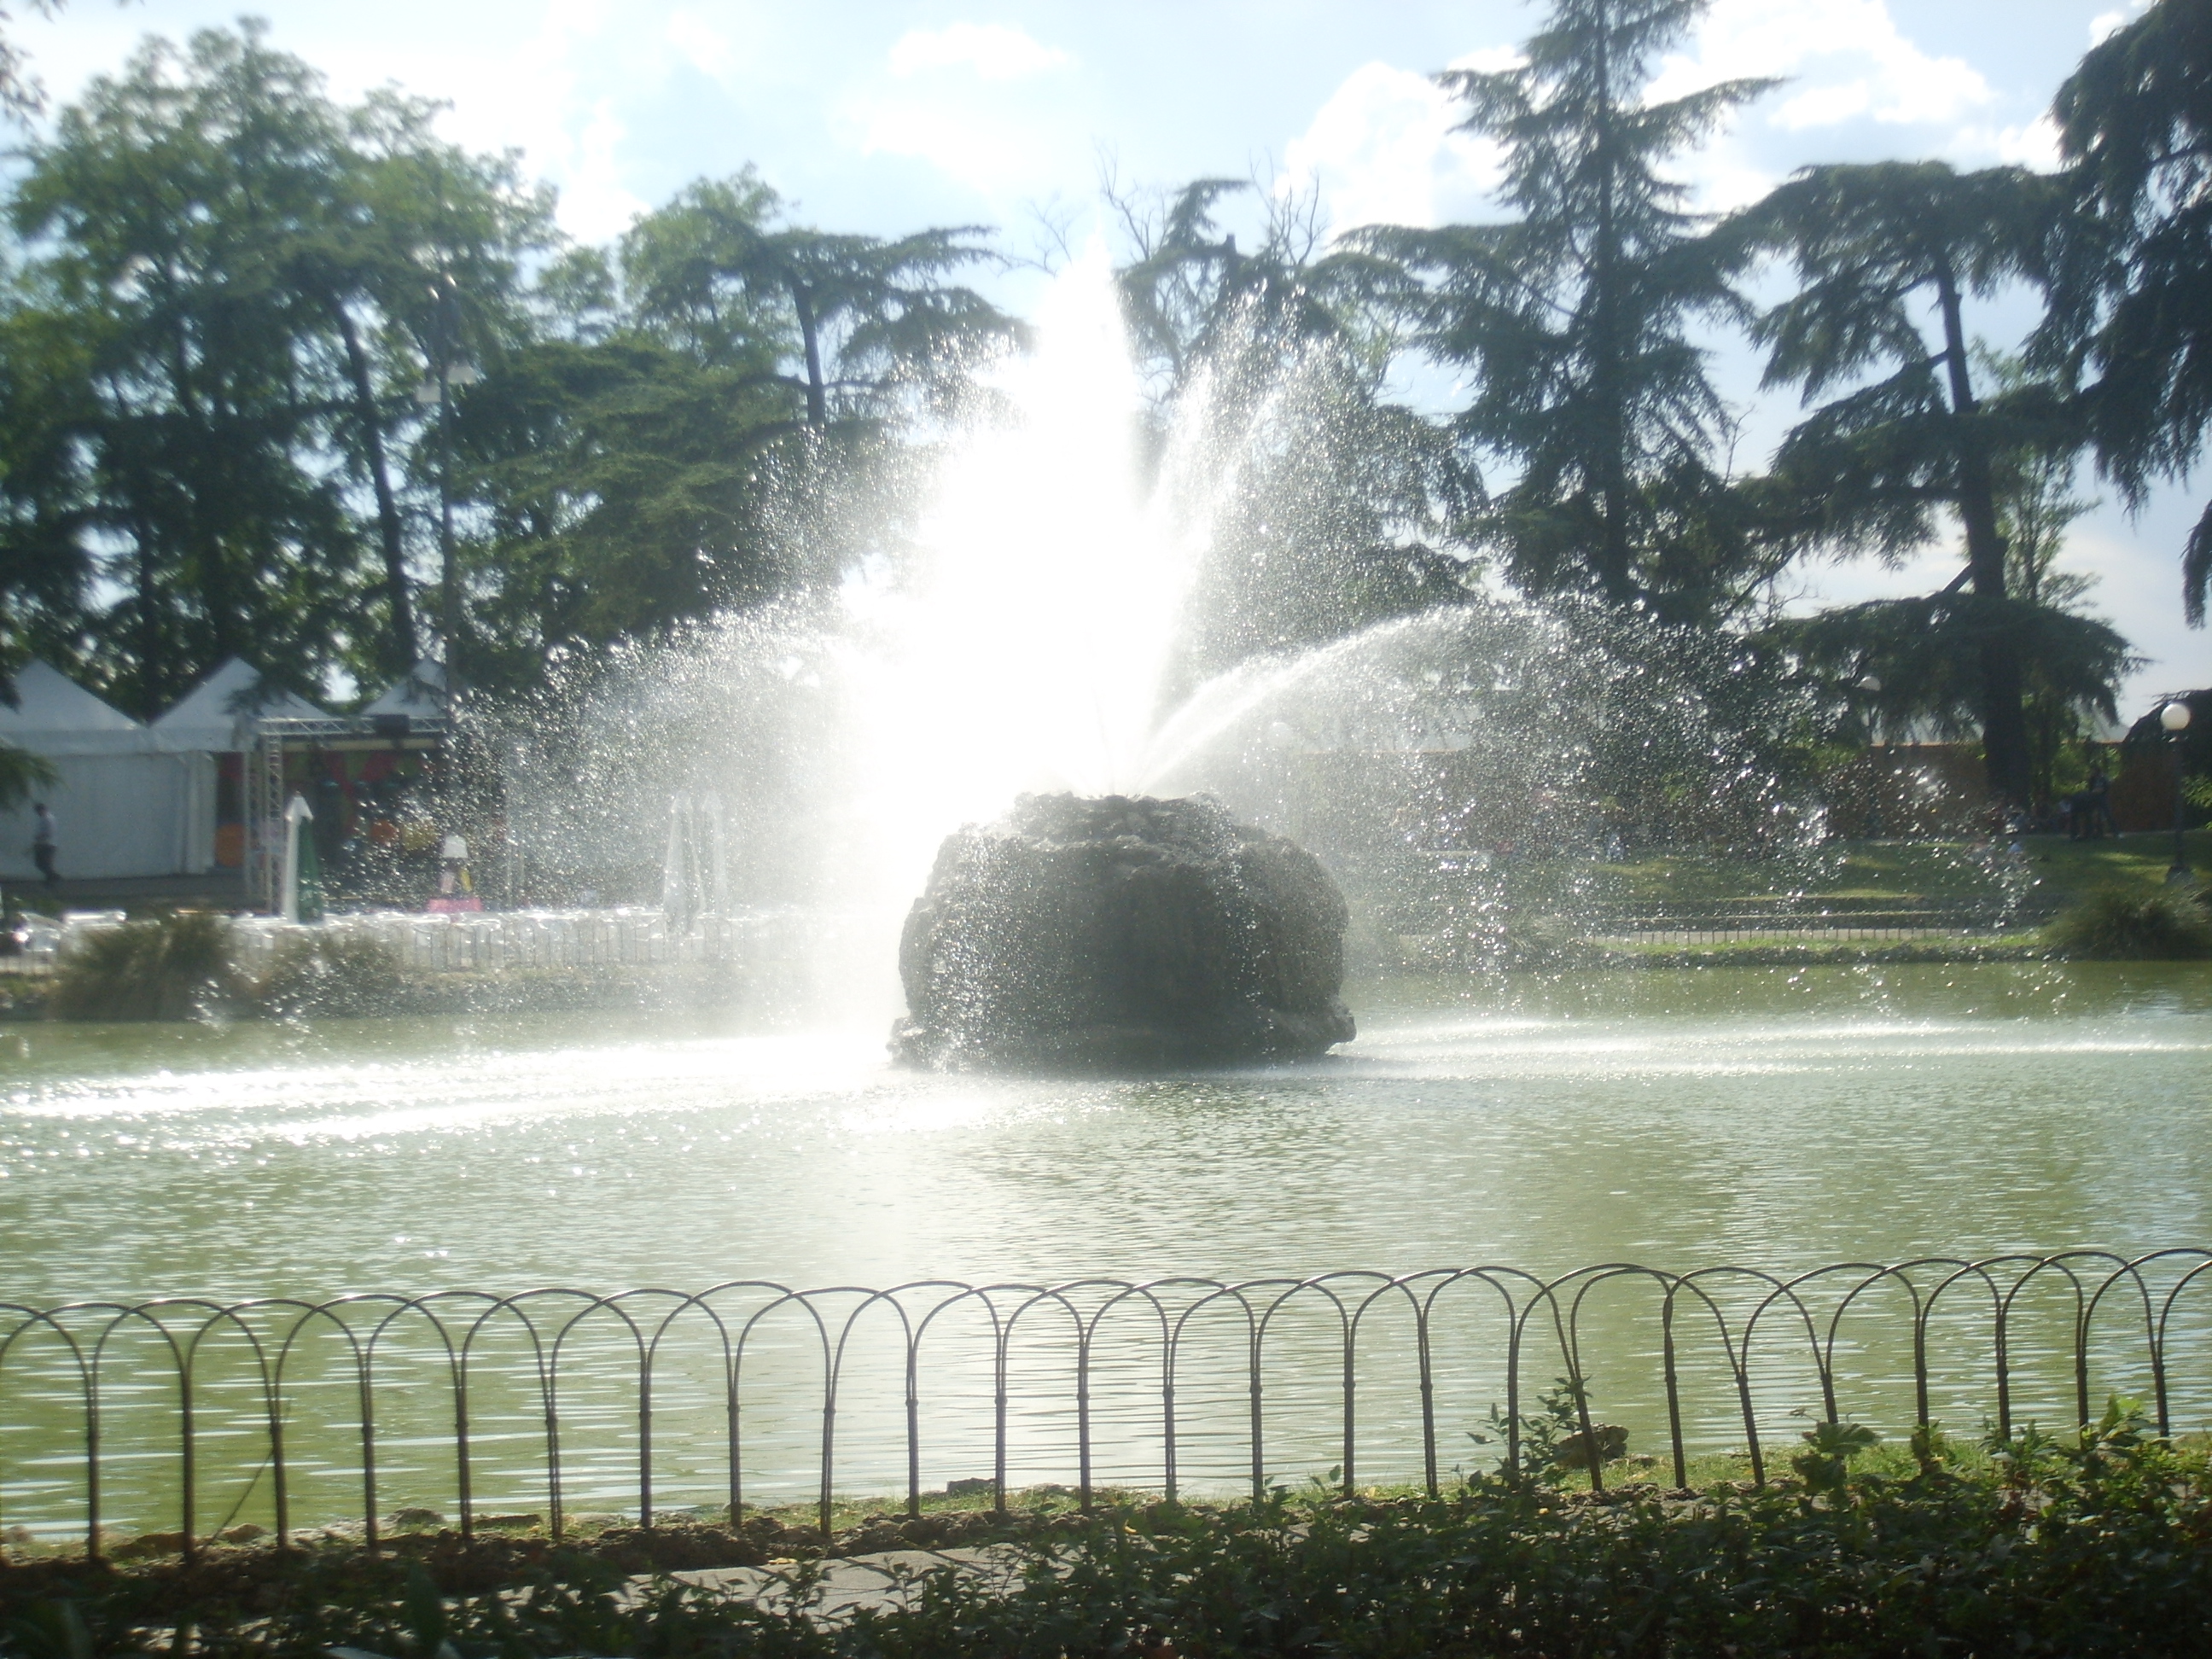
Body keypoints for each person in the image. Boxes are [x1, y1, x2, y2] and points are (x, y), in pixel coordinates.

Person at [30, 802, 57, 890]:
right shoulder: (44, 819)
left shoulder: (48, 819)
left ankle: (53, 880)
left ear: (42, 810)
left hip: (47, 844)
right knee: (41, 864)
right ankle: (52, 879)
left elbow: (48, 832)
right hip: (42, 844)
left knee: (44, 864)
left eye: (38, 811)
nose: (37, 813)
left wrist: (39, 837)